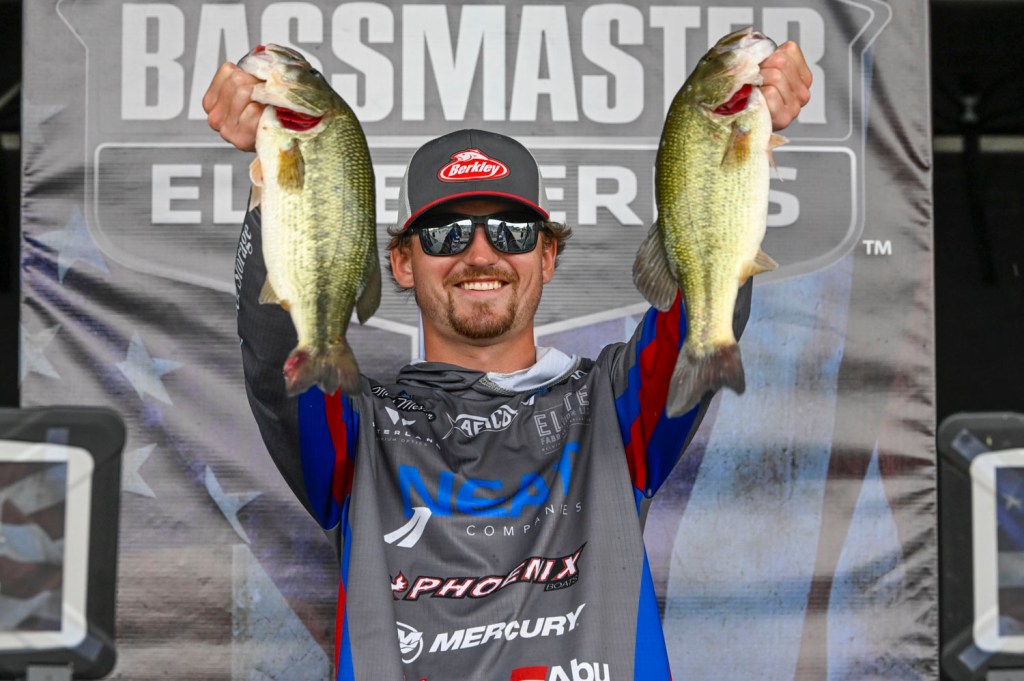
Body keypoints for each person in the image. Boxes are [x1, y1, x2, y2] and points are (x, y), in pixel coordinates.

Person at [205, 40, 811, 681]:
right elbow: (278, 350)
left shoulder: (615, 410)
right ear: (402, 262)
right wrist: (275, 179)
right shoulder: (359, 438)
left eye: (512, 231)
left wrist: (737, 131)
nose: (480, 254)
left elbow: (704, 305)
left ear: (547, 256)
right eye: (446, 233)